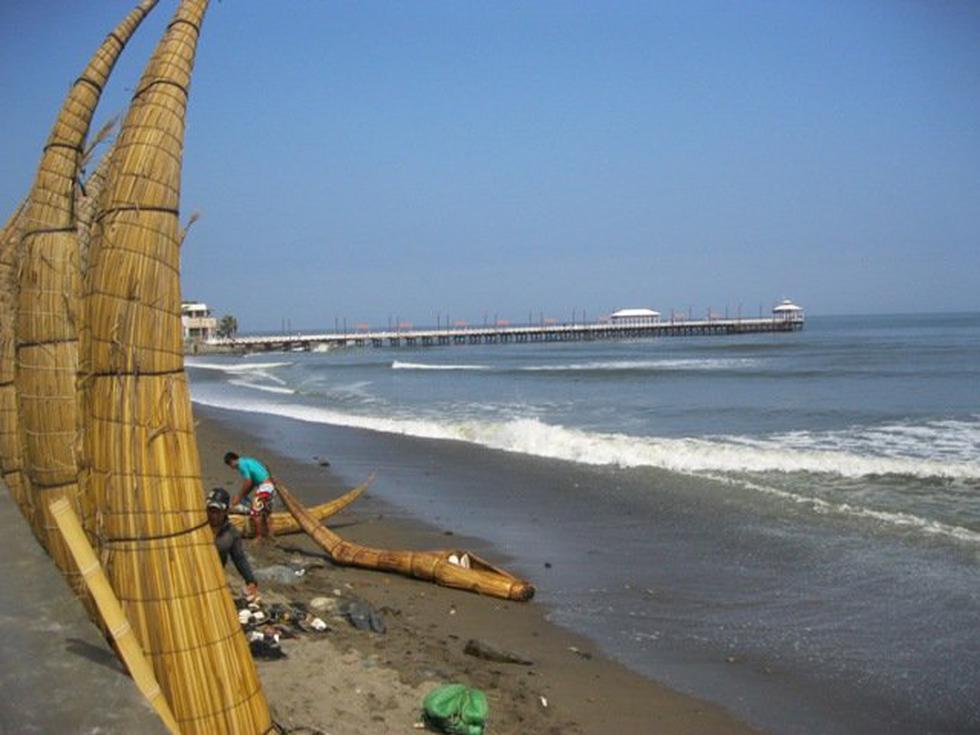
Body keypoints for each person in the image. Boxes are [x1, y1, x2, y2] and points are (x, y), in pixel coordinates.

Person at [206, 488, 260, 602]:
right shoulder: (198, 528)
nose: (213, 515)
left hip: (216, 576)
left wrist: (250, 580)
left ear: (225, 511)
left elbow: (239, 558)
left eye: (217, 511)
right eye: (211, 510)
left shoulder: (231, 533)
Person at [224, 451, 276, 539]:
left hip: (265, 487)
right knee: (266, 513)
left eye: (230, 465)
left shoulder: (241, 465)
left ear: (232, 461)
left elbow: (248, 482)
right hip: (270, 487)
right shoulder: (247, 461)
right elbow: (252, 483)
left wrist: (239, 497)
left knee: (255, 513)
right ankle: (271, 535)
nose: (232, 468)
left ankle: (259, 537)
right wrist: (243, 496)